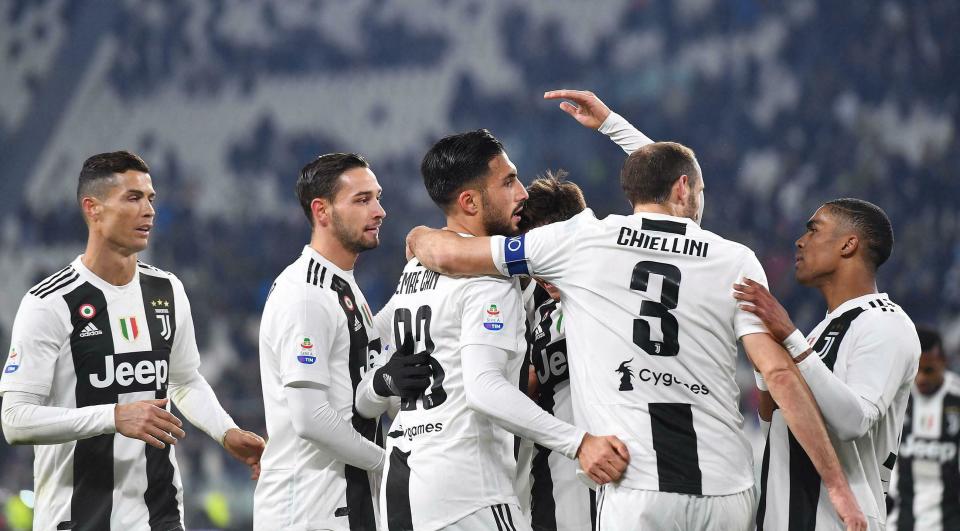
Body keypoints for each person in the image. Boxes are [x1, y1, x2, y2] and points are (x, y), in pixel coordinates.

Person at [405, 99, 866, 529]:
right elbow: (781, 377)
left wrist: (421, 237)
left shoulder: (583, 244)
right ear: (684, 189)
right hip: (725, 484)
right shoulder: (733, 259)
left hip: (632, 483)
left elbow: (455, 257)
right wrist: (838, 487)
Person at [354, 130, 629, 531]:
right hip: (468, 489)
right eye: (508, 182)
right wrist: (579, 443)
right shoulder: (489, 281)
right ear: (470, 201)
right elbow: (484, 388)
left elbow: (368, 365)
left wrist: (379, 384)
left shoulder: (415, 270)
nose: (521, 193)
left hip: (404, 489)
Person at [0, 151, 264, 531]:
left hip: (159, 516)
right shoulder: (49, 303)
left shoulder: (166, 290)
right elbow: (15, 420)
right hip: (77, 518)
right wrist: (113, 417)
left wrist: (226, 432)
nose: (149, 211)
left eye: (151, 198)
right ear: (93, 208)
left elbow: (185, 380)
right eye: (133, 198)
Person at [254, 153, 425, 530]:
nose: (379, 211)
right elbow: (310, 418)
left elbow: (367, 340)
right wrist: (387, 461)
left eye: (377, 197)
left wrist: (421, 278)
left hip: (345, 499)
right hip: (309, 510)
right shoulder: (306, 294)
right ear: (322, 211)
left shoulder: (338, 282)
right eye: (362, 200)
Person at [733, 199, 921, 530]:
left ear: (849, 244)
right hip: (785, 518)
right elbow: (777, 430)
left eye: (814, 230)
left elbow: (853, 421)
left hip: (839, 521)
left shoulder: (886, 323)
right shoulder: (819, 332)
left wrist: (790, 339)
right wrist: (767, 366)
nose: (800, 240)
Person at [516, 172, 596, 531]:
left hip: (626, 478)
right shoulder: (536, 310)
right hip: (552, 484)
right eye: (535, 259)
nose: (542, 273)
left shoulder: (617, 290)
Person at [887, 326, 960, 530]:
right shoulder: (897, 396)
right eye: (916, 370)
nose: (921, 379)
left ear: (943, 362)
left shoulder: (956, 398)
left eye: (928, 370)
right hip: (901, 517)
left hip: (949, 519)